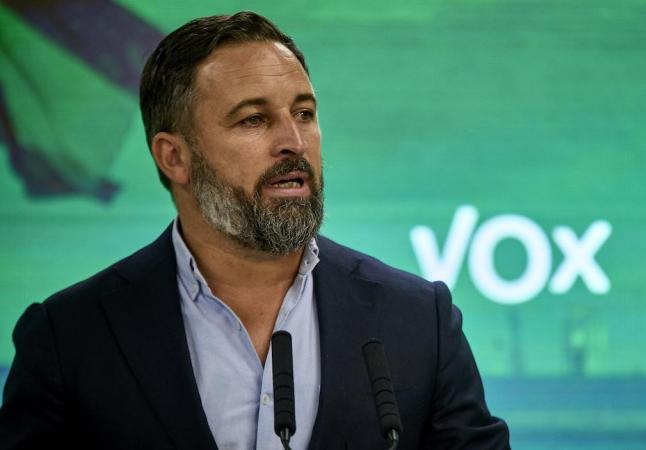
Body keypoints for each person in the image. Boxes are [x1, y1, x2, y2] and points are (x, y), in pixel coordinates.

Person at [0, 11, 509, 450]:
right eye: (253, 120)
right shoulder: (70, 337)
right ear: (174, 157)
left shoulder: (418, 321)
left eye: (304, 114)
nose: (294, 142)